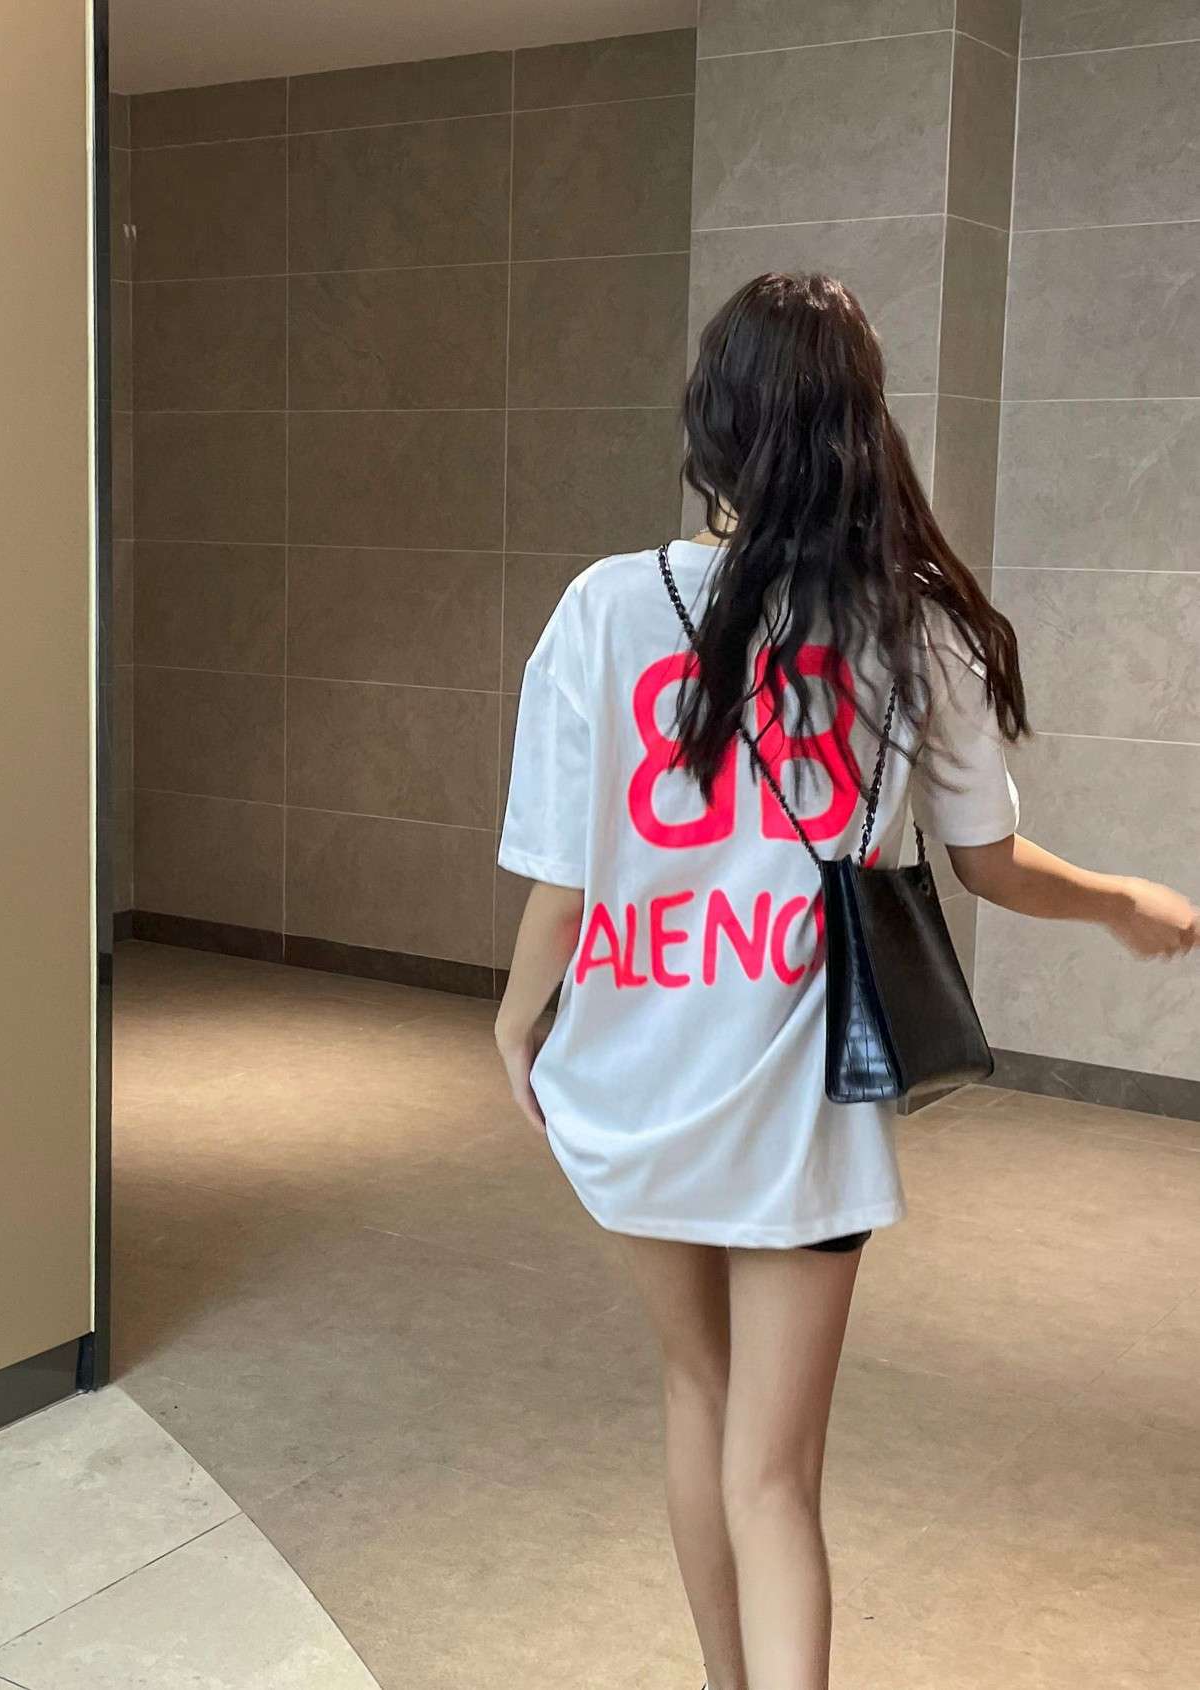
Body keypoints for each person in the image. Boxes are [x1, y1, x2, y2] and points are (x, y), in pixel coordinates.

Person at [493, 273, 1197, 1690]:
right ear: (857, 425)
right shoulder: (908, 624)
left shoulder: (605, 608)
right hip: (805, 1098)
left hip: (637, 1069)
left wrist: (517, 1026)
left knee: (694, 1393)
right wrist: (1120, 899)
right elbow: (989, 864)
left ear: (710, 420)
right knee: (777, 1474)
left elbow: (564, 882)